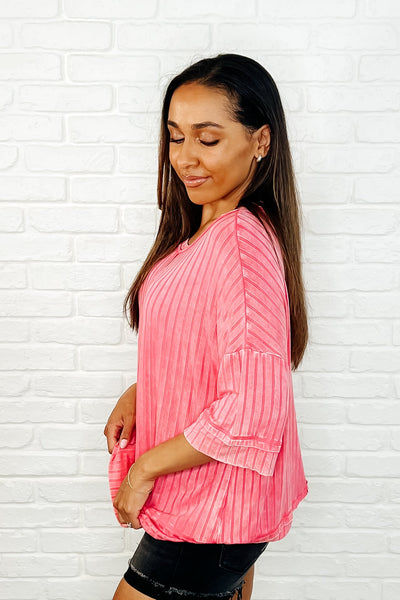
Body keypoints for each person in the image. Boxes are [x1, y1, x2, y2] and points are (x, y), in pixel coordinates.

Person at [104, 53, 309, 600]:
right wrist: (145, 388)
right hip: (213, 505)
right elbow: (206, 345)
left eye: (208, 138)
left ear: (261, 140)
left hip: (212, 510)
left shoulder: (239, 245)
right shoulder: (206, 235)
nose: (185, 157)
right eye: (175, 137)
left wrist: (144, 469)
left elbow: (253, 406)